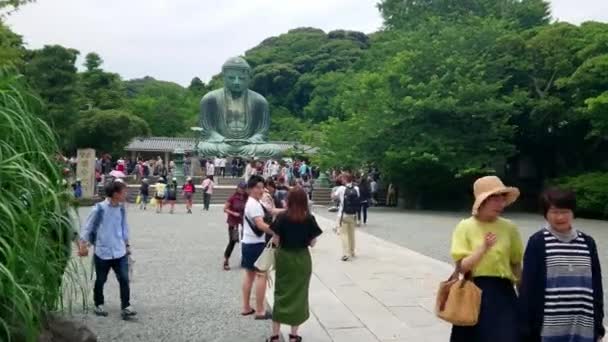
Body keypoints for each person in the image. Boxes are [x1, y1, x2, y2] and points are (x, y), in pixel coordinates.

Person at [519, 188, 605, 342]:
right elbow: (528, 287)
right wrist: (526, 326)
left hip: (582, 321)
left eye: (565, 211)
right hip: (548, 325)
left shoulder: (587, 242)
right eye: (554, 212)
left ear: (573, 212)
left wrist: (598, 323)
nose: (560, 217)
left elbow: (596, 285)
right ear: (545, 214)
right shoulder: (538, 242)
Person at [449, 175, 522, 342]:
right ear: (482, 201)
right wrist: (483, 248)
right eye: (494, 199)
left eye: (502, 199)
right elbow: (462, 267)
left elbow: (516, 264)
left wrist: (523, 292)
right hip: (474, 290)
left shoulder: (509, 227)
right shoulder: (465, 226)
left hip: (504, 291)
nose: (501, 204)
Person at [266, 187, 323, 342]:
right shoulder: (309, 218)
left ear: (289, 200)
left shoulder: (283, 217)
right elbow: (313, 243)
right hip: (302, 259)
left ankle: (275, 336)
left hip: (284, 257)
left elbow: (276, 240)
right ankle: (293, 335)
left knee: (281, 293)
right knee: (299, 295)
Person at [78, 180, 137, 320]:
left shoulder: (121, 208)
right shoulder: (99, 209)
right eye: (124, 192)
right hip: (103, 251)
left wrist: (127, 246)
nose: (126, 194)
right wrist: (83, 244)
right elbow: (88, 227)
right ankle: (99, 303)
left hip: (119, 250)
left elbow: (123, 228)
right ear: (116, 194)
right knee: (101, 279)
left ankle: (126, 306)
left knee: (124, 278)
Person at [241, 175, 274, 320]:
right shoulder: (254, 204)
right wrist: (278, 232)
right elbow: (260, 224)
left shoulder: (254, 202)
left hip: (248, 243)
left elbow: (271, 212)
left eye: (262, 187)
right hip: (256, 244)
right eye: (257, 187)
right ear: (250, 189)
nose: (261, 190)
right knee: (261, 275)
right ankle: (260, 310)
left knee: (249, 275)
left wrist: (285, 211)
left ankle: (246, 307)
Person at [332, 173, 360, 261]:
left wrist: (333, 191)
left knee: (343, 234)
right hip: (353, 214)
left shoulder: (341, 188)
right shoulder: (356, 188)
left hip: (343, 214)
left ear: (344, 179)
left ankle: (345, 254)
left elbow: (334, 197)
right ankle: (352, 251)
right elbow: (358, 199)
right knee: (352, 234)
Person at [223, 181, 248, 270]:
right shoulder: (232, 198)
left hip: (244, 222)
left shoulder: (247, 197)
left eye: (244, 188)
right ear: (237, 188)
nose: (242, 190)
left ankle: (245, 260)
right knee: (232, 241)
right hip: (233, 222)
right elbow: (225, 209)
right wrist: (233, 213)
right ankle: (226, 260)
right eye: (241, 188)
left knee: (246, 241)